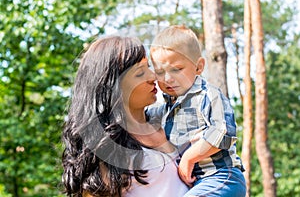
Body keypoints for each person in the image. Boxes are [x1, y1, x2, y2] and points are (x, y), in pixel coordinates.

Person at [61, 35, 188, 197]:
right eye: (140, 73)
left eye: (148, 67)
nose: (153, 77)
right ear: (112, 87)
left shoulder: (170, 121)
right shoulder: (104, 150)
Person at [147, 25, 246, 197]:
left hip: (221, 176)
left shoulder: (208, 96)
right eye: (160, 72)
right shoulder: (164, 109)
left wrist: (189, 158)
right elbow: (140, 120)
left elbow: (224, 132)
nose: (168, 78)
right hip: (195, 183)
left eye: (177, 69)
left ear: (198, 67)